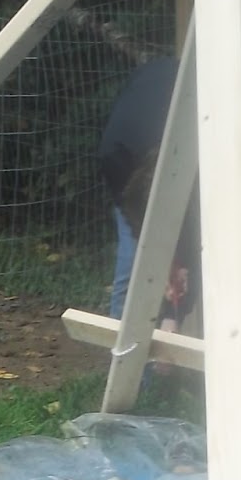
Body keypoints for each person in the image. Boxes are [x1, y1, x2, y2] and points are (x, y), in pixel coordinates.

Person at [97, 56, 200, 333]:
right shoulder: (113, 156)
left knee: (216, 261)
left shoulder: (196, 164)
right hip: (131, 162)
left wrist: (173, 314)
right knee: (132, 270)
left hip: (183, 142)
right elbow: (135, 221)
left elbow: (194, 248)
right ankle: (127, 365)